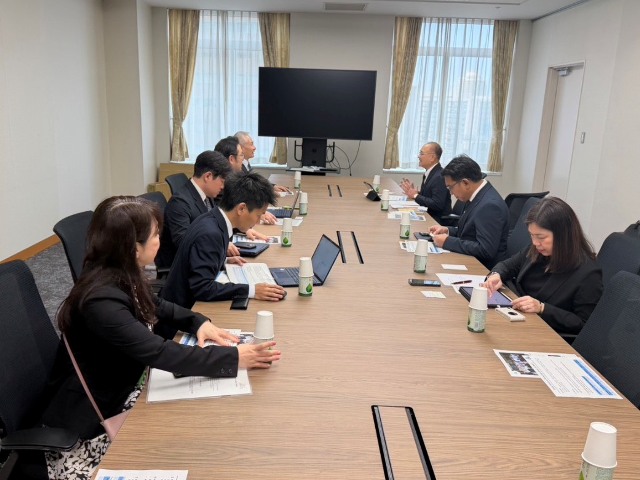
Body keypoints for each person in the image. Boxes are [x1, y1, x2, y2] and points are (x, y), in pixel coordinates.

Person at [42, 196, 280, 475]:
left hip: (127, 387)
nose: (160, 241)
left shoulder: (119, 272)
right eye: (155, 235)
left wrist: (197, 322)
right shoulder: (101, 300)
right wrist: (233, 357)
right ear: (133, 248)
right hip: (92, 425)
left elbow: (157, 305)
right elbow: (158, 352)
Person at [162, 172, 287, 308]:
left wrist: (222, 260)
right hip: (182, 311)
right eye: (258, 215)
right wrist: (252, 290)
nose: (257, 222)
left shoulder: (214, 219)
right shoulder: (211, 233)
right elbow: (202, 288)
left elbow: (197, 261)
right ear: (241, 208)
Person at [482, 196, 603, 335]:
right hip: (517, 318)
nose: (535, 243)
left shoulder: (588, 274)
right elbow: (508, 265)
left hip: (543, 332)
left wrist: (542, 308)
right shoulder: (538, 250)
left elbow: (583, 324)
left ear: (563, 235)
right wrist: (496, 274)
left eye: (541, 237)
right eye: (531, 235)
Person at [156, 150, 234, 270]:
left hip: (204, 260)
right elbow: (184, 244)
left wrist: (224, 257)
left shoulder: (206, 195)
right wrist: (220, 246)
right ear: (208, 176)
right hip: (183, 268)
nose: (223, 187)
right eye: (222, 182)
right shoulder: (179, 203)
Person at [429, 155, 509, 269]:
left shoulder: (490, 205)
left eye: (450, 187)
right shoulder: (478, 195)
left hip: (481, 268)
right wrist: (448, 230)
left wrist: (447, 242)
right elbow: (470, 233)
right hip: (470, 259)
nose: (451, 193)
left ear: (465, 183)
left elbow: (485, 250)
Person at [215, 135, 277, 227]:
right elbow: (226, 213)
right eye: (241, 155)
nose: (243, 159)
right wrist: (256, 214)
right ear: (231, 159)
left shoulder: (233, 177)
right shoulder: (222, 183)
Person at [399, 142, 451, 222]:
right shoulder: (431, 172)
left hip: (437, 221)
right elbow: (429, 196)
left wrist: (415, 195)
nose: (418, 156)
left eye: (421, 153)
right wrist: (416, 193)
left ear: (432, 157)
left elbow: (437, 204)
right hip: (428, 215)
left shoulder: (439, 176)